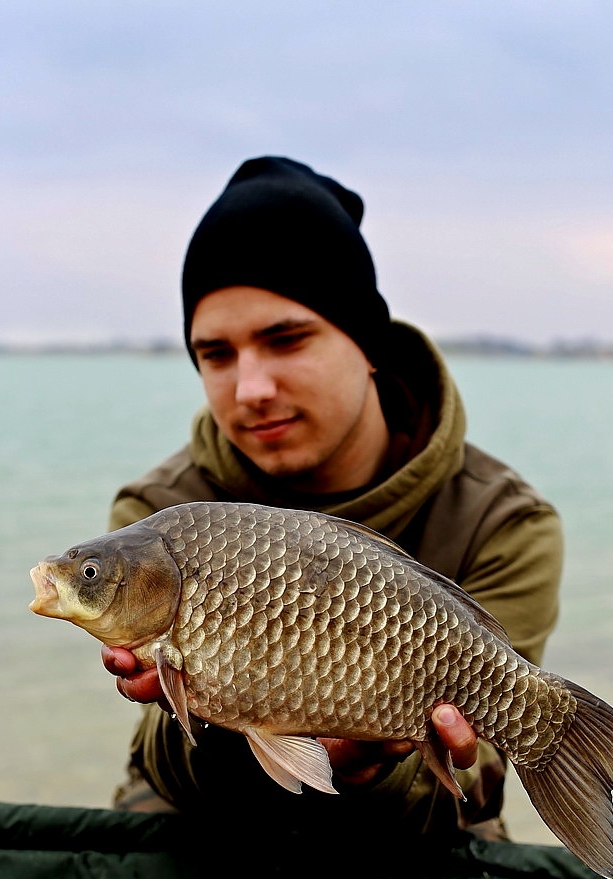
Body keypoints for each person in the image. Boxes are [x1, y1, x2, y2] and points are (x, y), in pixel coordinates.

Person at [103, 156, 563, 841]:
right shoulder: (160, 515)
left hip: (415, 826)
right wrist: (212, 718)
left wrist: (369, 768)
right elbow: (158, 762)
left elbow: (478, 784)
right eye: (216, 354)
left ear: (368, 344)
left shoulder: (503, 522)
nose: (250, 388)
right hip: (215, 814)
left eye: (285, 339)